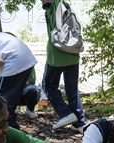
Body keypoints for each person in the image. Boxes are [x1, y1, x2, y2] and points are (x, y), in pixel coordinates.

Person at [41, 0, 86, 133]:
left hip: (57, 54)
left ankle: (66, 114)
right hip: (72, 53)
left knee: (48, 86)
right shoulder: (56, 7)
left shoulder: (58, 4)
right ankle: (79, 123)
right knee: (72, 90)